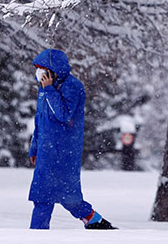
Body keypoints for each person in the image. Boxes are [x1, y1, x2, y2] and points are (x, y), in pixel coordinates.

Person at [28, 48, 115, 230]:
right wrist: (34, 148)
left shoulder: (72, 86)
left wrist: (50, 90)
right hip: (46, 151)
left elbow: (63, 115)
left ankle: (94, 220)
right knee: (42, 197)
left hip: (63, 152)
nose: (39, 73)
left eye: (42, 69)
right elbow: (39, 121)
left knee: (69, 198)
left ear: (53, 70)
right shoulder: (45, 90)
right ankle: (37, 236)